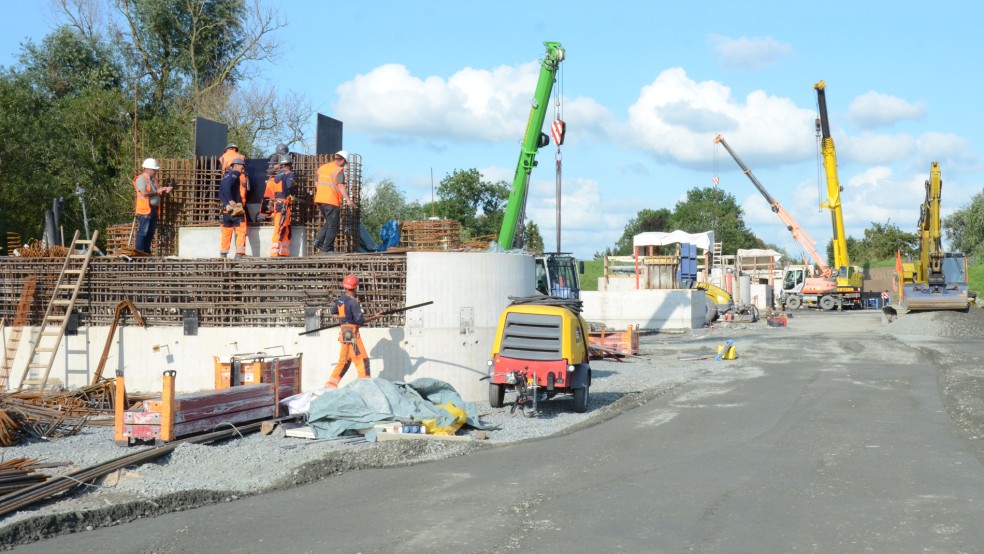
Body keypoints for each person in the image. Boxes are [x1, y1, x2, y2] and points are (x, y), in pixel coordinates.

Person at [324, 274, 378, 388]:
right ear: (355, 287)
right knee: (362, 360)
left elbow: (333, 314)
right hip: (352, 335)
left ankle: (330, 386)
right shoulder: (353, 302)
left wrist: (344, 318)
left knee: (344, 361)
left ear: (345, 287)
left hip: (344, 333)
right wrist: (376, 316)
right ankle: (365, 387)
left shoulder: (340, 300)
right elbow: (360, 321)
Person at [313, 150, 355, 254]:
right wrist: (348, 200)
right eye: (345, 163)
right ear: (342, 161)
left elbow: (316, 183)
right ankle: (327, 249)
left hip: (320, 200)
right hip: (331, 200)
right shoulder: (338, 170)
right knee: (334, 225)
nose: (344, 165)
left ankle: (319, 240)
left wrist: (323, 192)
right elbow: (340, 186)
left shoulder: (322, 168)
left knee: (329, 222)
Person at [132, 158, 172, 254]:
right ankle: (139, 253)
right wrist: (157, 191)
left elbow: (157, 190)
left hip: (153, 210)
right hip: (145, 210)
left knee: (150, 233)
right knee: (143, 233)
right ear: (147, 169)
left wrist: (164, 189)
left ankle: (146, 252)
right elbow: (145, 193)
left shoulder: (153, 180)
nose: (155, 171)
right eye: (154, 169)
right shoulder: (141, 179)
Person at [262, 155, 294, 257]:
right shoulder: (289, 174)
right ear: (287, 165)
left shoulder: (276, 177)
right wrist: (291, 194)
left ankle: (284, 251)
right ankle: (274, 252)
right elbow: (289, 186)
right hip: (283, 204)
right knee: (280, 228)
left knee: (285, 227)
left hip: (279, 204)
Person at [219, 157, 248, 259]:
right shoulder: (234, 174)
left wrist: (226, 203)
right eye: (242, 167)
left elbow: (221, 193)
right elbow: (227, 186)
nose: (243, 170)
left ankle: (223, 253)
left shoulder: (225, 177)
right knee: (241, 230)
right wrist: (231, 200)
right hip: (236, 209)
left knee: (227, 231)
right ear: (235, 166)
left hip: (226, 211)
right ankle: (240, 254)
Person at [220, 143, 249, 210]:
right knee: (240, 197)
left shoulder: (223, 157)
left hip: (229, 175)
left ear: (227, 149)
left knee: (227, 190)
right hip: (241, 175)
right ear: (235, 149)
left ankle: (229, 209)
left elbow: (223, 169)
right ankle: (241, 210)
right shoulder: (240, 156)